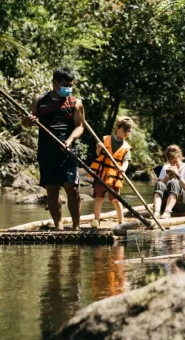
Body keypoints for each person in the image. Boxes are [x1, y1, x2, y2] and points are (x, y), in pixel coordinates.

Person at [22, 67, 84, 231]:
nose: (68, 88)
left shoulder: (76, 103)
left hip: (67, 151)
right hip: (47, 151)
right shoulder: (40, 100)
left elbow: (80, 127)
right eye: (65, 84)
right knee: (52, 190)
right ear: (55, 83)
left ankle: (76, 226)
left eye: (71, 85)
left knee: (72, 188)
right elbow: (27, 123)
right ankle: (59, 226)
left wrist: (70, 139)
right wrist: (29, 119)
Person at [88, 117, 133, 228]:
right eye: (125, 129)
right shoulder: (106, 139)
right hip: (102, 174)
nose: (127, 133)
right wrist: (98, 148)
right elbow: (99, 154)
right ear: (117, 128)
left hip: (114, 177)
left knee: (116, 199)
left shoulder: (126, 147)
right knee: (99, 197)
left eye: (129, 131)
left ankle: (121, 221)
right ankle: (96, 219)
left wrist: (123, 169)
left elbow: (126, 161)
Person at [153, 145, 185, 219]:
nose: (173, 163)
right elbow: (159, 187)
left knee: (174, 183)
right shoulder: (166, 167)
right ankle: (156, 211)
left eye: (175, 161)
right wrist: (167, 177)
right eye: (170, 161)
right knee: (159, 183)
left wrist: (178, 176)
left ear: (180, 156)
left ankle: (167, 212)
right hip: (167, 202)